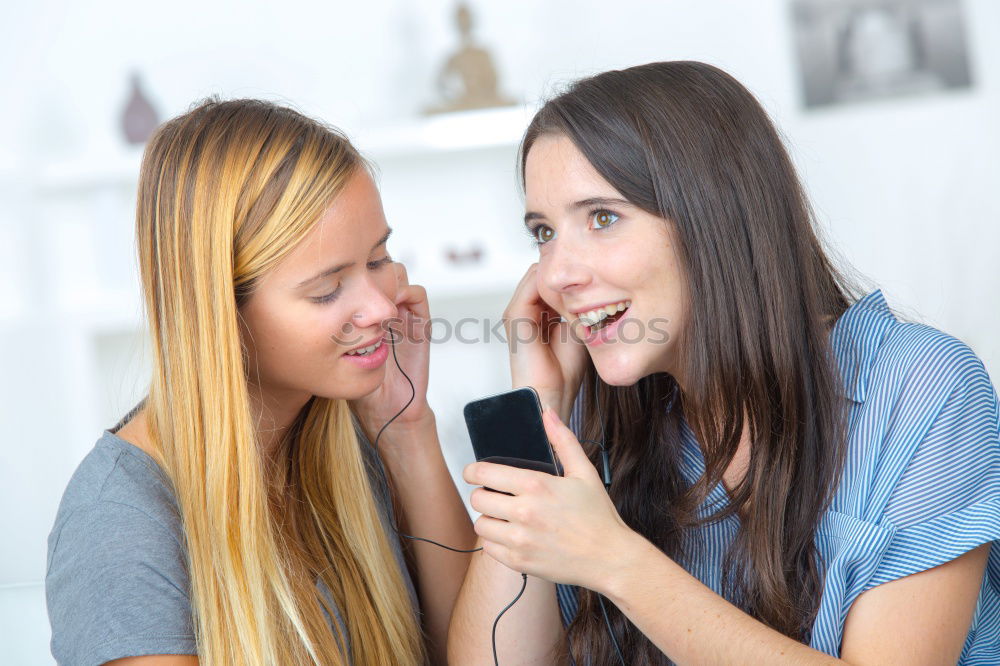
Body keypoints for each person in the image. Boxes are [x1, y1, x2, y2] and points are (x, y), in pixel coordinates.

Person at [449, 61, 1000, 664]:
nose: (555, 275)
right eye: (543, 233)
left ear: (714, 218)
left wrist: (612, 559)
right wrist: (537, 412)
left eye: (602, 218)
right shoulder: (604, 412)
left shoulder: (921, 388)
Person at [45, 98, 475, 665]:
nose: (380, 306)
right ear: (220, 312)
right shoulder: (120, 525)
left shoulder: (349, 438)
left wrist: (407, 430)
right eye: (327, 289)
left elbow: (484, 651)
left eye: (378, 259)